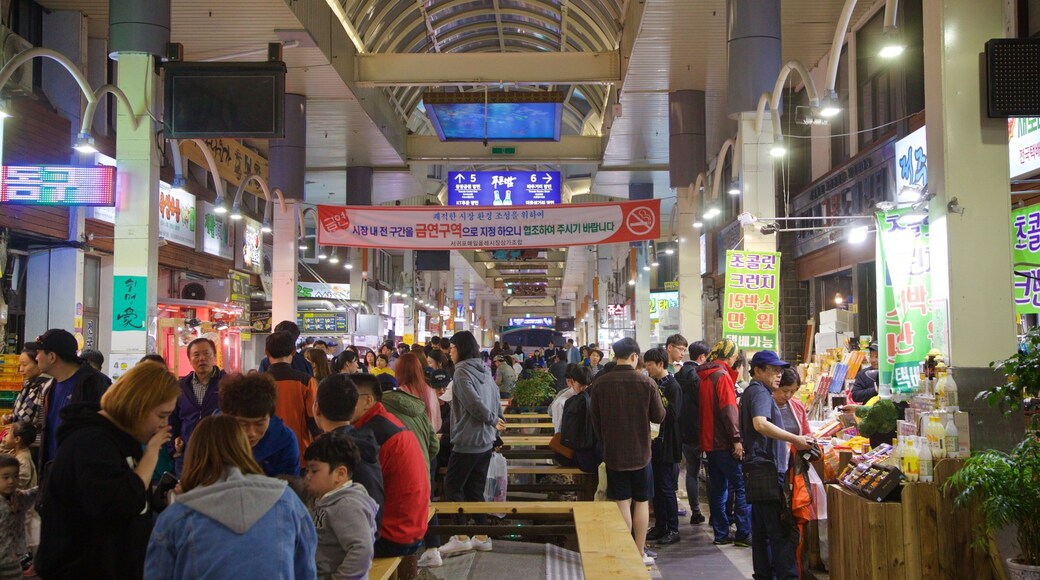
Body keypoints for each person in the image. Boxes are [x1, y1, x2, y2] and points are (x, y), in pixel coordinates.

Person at [36, 361, 178, 579]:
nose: (165, 424)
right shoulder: (90, 443)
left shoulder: (120, 440)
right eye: (161, 415)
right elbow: (120, 502)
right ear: (136, 406)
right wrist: (151, 454)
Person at [144, 415, 317, 580]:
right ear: (245, 449)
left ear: (194, 455)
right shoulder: (287, 501)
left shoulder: (175, 518)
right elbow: (306, 571)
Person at [589, 337, 666, 566]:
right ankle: (639, 552)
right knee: (641, 502)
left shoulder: (601, 383)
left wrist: (606, 440)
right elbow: (659, 416)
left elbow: (595, 420)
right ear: (634, 356)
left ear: (615, 356)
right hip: (641, 453)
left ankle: (624, 553)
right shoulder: (646, 383)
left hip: (614, 453)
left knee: (622, 502)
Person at [740, 351, 813, 580]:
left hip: (758, 470)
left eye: (780, 370)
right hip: (768, 471)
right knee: (780, 532)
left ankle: (764, 574)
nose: (779, 375)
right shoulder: (760, 392)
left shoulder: (753, 391)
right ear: (758, 370)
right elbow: (760, 424)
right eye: (773, 370)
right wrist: (795, 439)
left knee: (762, 532)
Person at [349, 374, 431, 561]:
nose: (344, 403)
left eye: (349, 397)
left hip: (393, 535)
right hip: (413, 527)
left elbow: (361, 497)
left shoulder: (370, 434)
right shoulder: (388, 421)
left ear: (367, 400)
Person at [440, 331, 502, 555]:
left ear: (461, 348)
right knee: (475, 490)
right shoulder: (484, 369)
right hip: (485, 440)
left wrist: (493, 419)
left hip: (468, 440)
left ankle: (461, 535)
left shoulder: (461, 372)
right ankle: (483, 536)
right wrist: (497, 421)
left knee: (452, 487)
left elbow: (473, 404)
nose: (450, 353)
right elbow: (495, 397)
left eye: (452, 348)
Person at [698, 339, 750, 547]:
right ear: (730, 356)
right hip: (724, 442)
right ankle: (743, 534)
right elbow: (729, 410)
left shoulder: (705, 376)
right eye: (735, 355)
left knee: (718, 490)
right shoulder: (722, 376)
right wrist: (736, 439)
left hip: (709, 443)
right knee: (741, 487)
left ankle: (721, 534)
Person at [304, 432, 378, 580]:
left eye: (314, 470)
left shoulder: (347, 505)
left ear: (340, 474)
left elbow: (362, 550)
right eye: (307, 470)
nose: (307, 476)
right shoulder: (325, 499)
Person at [313, 375, 385, 526]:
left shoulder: (327, 451)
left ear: (317, 408)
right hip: (372, 530)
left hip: (344, 536)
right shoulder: (366, 440)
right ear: (353, 410)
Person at [34, 329, 112, 467]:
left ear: (52, 357)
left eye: (38, 353)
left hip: (83, 471)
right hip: (55, 470)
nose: (36, 358)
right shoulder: (49, 387)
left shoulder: (95, 383)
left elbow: (106, 431)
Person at [218, 373, 300, 477]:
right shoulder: (214, 437)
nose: (251, 433)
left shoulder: (285, 440)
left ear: (270, 416)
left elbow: (290, 483)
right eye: (243, 424)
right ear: (227, 416)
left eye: (259, 424)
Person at [644, 347, 684, 545]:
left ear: (660, 364)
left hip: (667, 443)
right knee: (657, 488)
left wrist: (657, 405)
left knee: (667, 488)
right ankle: (660, 526)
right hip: (653, 443)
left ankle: (673, 529)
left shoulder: (673, 385)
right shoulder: (653, 383)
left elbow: (674, 415)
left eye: (650, 365)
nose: (647, 368)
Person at [169, 337, 225, 475]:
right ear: (190, 359)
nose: (202, 358)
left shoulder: (227, 384)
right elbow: (172, 420)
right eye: (196, 355)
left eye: (206, 353)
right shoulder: (181, 387)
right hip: (187, 455)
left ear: (214, 356)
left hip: (218, 455)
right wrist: (174, 446)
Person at [264, 331, 320, 467]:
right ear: (294, 351)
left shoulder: (256, 382)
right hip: (298, 453)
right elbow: (313, 419)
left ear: (267, 352)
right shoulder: (306, 381)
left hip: (264, 453)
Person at [676, 339, 711, 526]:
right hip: (700, 431)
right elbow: (705, 404)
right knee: (708, 473)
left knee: (691, 472)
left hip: (683, 431)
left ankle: (695, 511)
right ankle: (715, 516)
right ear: (702, 357)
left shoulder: (678, 375)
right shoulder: (700, 377)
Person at [2, 343, 51, 465]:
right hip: (24, 444)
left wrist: (14, 422)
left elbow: (27, 419)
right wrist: (11, 418)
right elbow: (21, 413)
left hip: (35, 446)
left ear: (38, 363)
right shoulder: (29, 384)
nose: (20, 369)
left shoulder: (45, 386)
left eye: (24, 365)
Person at [381, 375, 440, 469]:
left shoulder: (380, 409)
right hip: (423, 470)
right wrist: (422, 460)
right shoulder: (418, 406)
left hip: (397, 471)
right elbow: (434, 445)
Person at [0, 455, 35, 580]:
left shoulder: (19, 498)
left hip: (11, 559)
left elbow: (35, 493)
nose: (11, 481)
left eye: (15, 476)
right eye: (5, 477)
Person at [396, 352, 442, 434]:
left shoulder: (399, 393)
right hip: (428, 437)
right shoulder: (430, 391)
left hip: (409, 439)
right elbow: (437, 423)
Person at [550, 364, 591, 433]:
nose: (585, 388)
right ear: (571, 382)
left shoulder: (589, 397)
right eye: (581, 384)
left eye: (588, 385)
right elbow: (559, 430)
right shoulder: (561, 403)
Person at [775, 368, 811, 437]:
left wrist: (809, 438)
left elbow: (806, 432)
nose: (788, 395)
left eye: (792, 391)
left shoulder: (797, 406)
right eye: (785, 390)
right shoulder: (765, 405)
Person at [3, 422, 36, 489]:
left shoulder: (23, 460)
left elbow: (20, 482)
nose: (5, 436)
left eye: (8, 433)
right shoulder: (15, 451)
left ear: (17, 439)